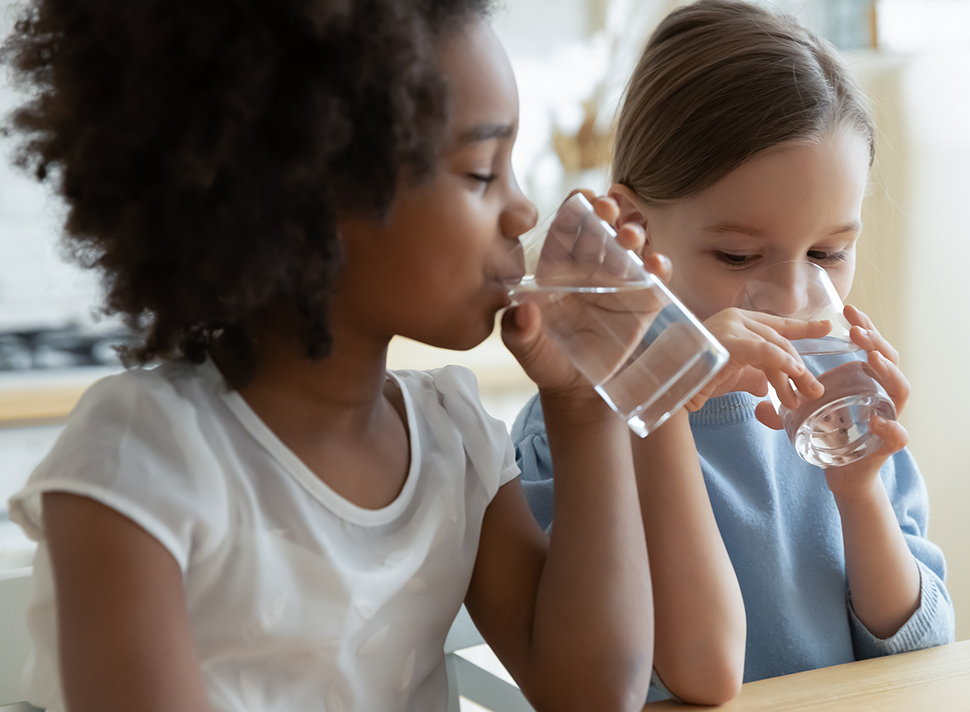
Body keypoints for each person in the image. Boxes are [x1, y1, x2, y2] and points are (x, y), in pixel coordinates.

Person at [4, 1, 661, 710]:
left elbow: (595, 693)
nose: (524, 212)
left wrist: (586, 403)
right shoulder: (145, 459)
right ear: (307, 197)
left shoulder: (455, 441)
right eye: (480, 173)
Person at [513, 0, 955, 704]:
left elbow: (919, 651)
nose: (792, 295)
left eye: (829, 252)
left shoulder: (836, 411)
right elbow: (673, 673)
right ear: (633, 229)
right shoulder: (577, 425)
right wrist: (661, 382)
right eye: (739, 254)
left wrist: (860, 493)